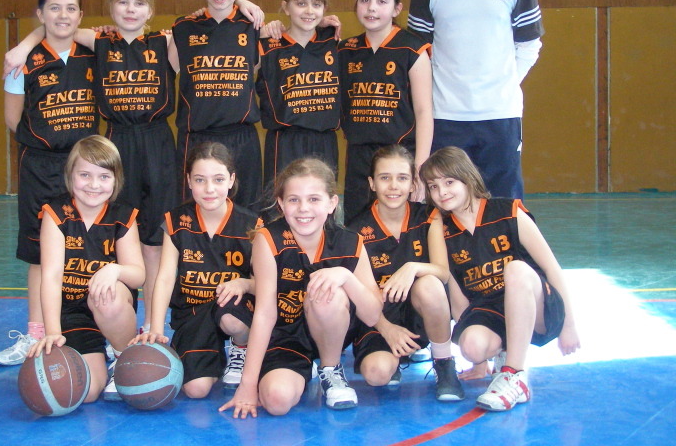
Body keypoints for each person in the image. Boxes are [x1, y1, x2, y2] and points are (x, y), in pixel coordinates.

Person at [4, 0, 178, 334]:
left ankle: (148, 325)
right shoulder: (97, 42)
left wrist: (248, 8)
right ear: (110, 8)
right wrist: (23, 45)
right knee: (77, 244)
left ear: (151, 10)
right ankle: (59, 328)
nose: (130, 9)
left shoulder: (161, 42)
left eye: (139, 3)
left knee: (150, 242)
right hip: (94, 150)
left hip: (148, 148)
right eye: (123, 2)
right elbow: (55, 29)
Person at [408, 0, 544, 200]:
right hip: (446, 118)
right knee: (446, 208)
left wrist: (501, 83)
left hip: (501, 117)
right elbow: (417, 55)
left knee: (503, 206)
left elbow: (529, 45)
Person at [420, 146, 580, 411]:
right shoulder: (443, 232)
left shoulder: (509, 212)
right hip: (492, 310)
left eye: (449, 182)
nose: (442, 192)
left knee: (516, 270)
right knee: (472, 346)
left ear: (468, 178)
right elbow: (458, 297)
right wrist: (479, 361)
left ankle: (514, 374)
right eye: (433, 186)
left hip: (536, 304)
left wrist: (569, 325)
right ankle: (504, 353)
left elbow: (552, 268)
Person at [220, 158, 382, 417]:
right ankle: (299, 371)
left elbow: (372, 316)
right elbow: (265, 313)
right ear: (281, 204)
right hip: (287, 336)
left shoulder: (351, 242)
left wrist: (345, 276)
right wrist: (248, 386)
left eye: (314, 199)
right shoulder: (268, 240)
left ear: (332, 203)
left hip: (332, 329)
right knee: (276, 401)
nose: (303, 208)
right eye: (294, 200)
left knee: (326, 294)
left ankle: (331, 370)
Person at [0, 0, 98, 365]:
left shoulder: (94, 54)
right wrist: (26, 44)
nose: (63, 15)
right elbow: (12, 119)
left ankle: (94, 332)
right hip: (40, 166)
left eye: (71, 8)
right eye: (54, 8)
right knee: (40, 254)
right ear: (40, 14)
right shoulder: (22, 61)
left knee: (90, 250)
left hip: (86, 168)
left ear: (81, 15)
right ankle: (35, 334)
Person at [131, 142, 261, 398]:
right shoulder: (176, 221)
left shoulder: (251, 225)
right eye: (200, 180)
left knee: (232, 320)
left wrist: (244, 283)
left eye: (218, 179)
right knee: (195, 390)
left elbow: (264, 285)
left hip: (234, 309)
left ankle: (241, 347)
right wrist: (156, 328)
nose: (209, 188)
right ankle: (213, 359)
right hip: (192, 312)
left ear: (231, 180)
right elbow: (165, 277)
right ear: (189, 181)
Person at [27, 135, 145, 403]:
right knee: (86, 392)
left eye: (104, 176)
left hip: (111, 306)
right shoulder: (56, 214)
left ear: (116, 180)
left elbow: (139, 275)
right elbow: (51, 276)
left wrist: (115, 270)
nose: (94, 185)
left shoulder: (123, 216)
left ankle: (123, 355)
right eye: (85, 175)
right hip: (73, 313)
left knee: (106, 295)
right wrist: (53, 332)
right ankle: (96, 355)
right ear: (70, 175)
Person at [347, 145, 463, 401]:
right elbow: (360, 295)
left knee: (429, 284)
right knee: (377, 374)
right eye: (384, 178)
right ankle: (396, 356)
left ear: (413, 184)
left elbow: (443, 272)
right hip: (379, 318)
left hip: (420, 314)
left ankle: (443, 362)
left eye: (402, 178)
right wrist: (387, 329)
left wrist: (413, 267)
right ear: (372, 183)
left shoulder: (429, 216)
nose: (393, 186)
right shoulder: (356, 230)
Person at [172, 0, 263, 208]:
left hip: (242, 140)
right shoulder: (184, 28)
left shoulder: (254, 27)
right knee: (192, 217)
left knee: (246, 217)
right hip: (196, 139)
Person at [338, 0, 433, 224]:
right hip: (359, 158)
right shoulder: (345, 50)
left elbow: (424, 112)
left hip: (401, 155)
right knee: (358, 227)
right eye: (365, 0)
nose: (371, 7)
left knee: (405, 228)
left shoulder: (413, 49)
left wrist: (420, 170)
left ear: (397, 8)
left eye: (381, 1)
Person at [256, 0, 341, 187]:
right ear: (286, 7)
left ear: (324, 9)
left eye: (316, 4)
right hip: (284, 142)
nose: (309, 11)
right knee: (282, 201)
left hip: (325, 141)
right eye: (301, 3)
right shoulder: (267, 47)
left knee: (322, 200)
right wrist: (259, 33)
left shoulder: (333, 44)